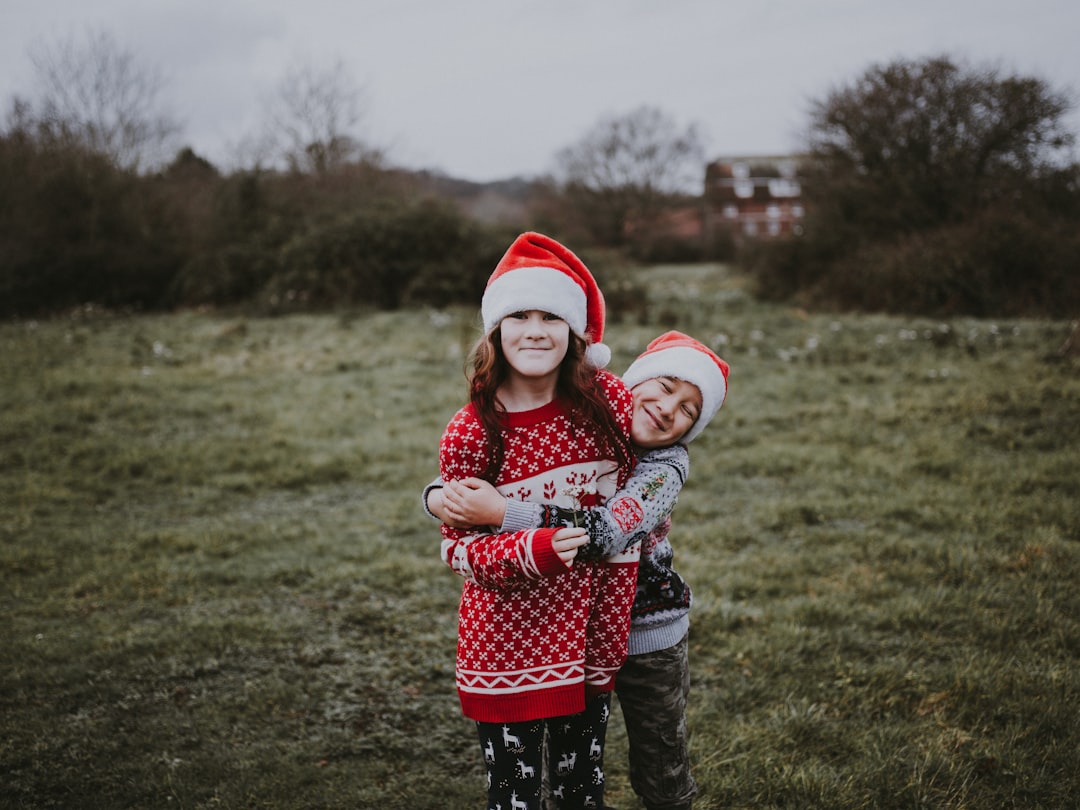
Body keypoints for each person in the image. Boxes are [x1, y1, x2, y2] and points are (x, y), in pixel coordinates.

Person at [427, 331, 730, 810]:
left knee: (659, 761)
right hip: (579, 626)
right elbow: (492, 470)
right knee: (581, 755)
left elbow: (605, 533)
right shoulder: (584, 423)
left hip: (649, 630)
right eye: (667, 387)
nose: (670, 409)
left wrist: (503, 512)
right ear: (631, 383)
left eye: (691, 409)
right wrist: (441, 498)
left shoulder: (664, 468)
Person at [436, 232, 638, 810]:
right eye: (518, 315)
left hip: (591, 639)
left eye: (551, 316)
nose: (534, 330)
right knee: (516, 799)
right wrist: (538, 548)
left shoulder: (610, 404)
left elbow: (651, 470)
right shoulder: (473, 429)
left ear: (574, 332)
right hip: (506, 650)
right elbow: (459, 551)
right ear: (495, 330)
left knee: (582, 795)